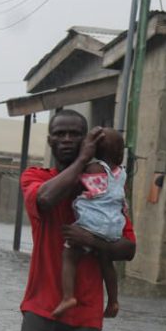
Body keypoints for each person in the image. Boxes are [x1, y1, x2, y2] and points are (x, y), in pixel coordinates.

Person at [14, 110, 136, 331]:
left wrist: (92, 241)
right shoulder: (36, 177)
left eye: (74, 134)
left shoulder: (107, 192)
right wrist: (83, 159)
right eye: (59, 134)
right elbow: (45, 199)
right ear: (49, 140)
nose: (66, 139)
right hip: (41, 310)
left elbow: (129, 248)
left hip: (87, 317)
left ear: (86, 139)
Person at [52, 128, 127, 318]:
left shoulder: (94, 169)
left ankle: (68, 296)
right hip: (114, 226)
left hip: (92, 223)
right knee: (106, 261)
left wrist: (81, 163)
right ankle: (113, 301)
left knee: (69, 254)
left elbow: (75, 186)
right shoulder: (121, 173)